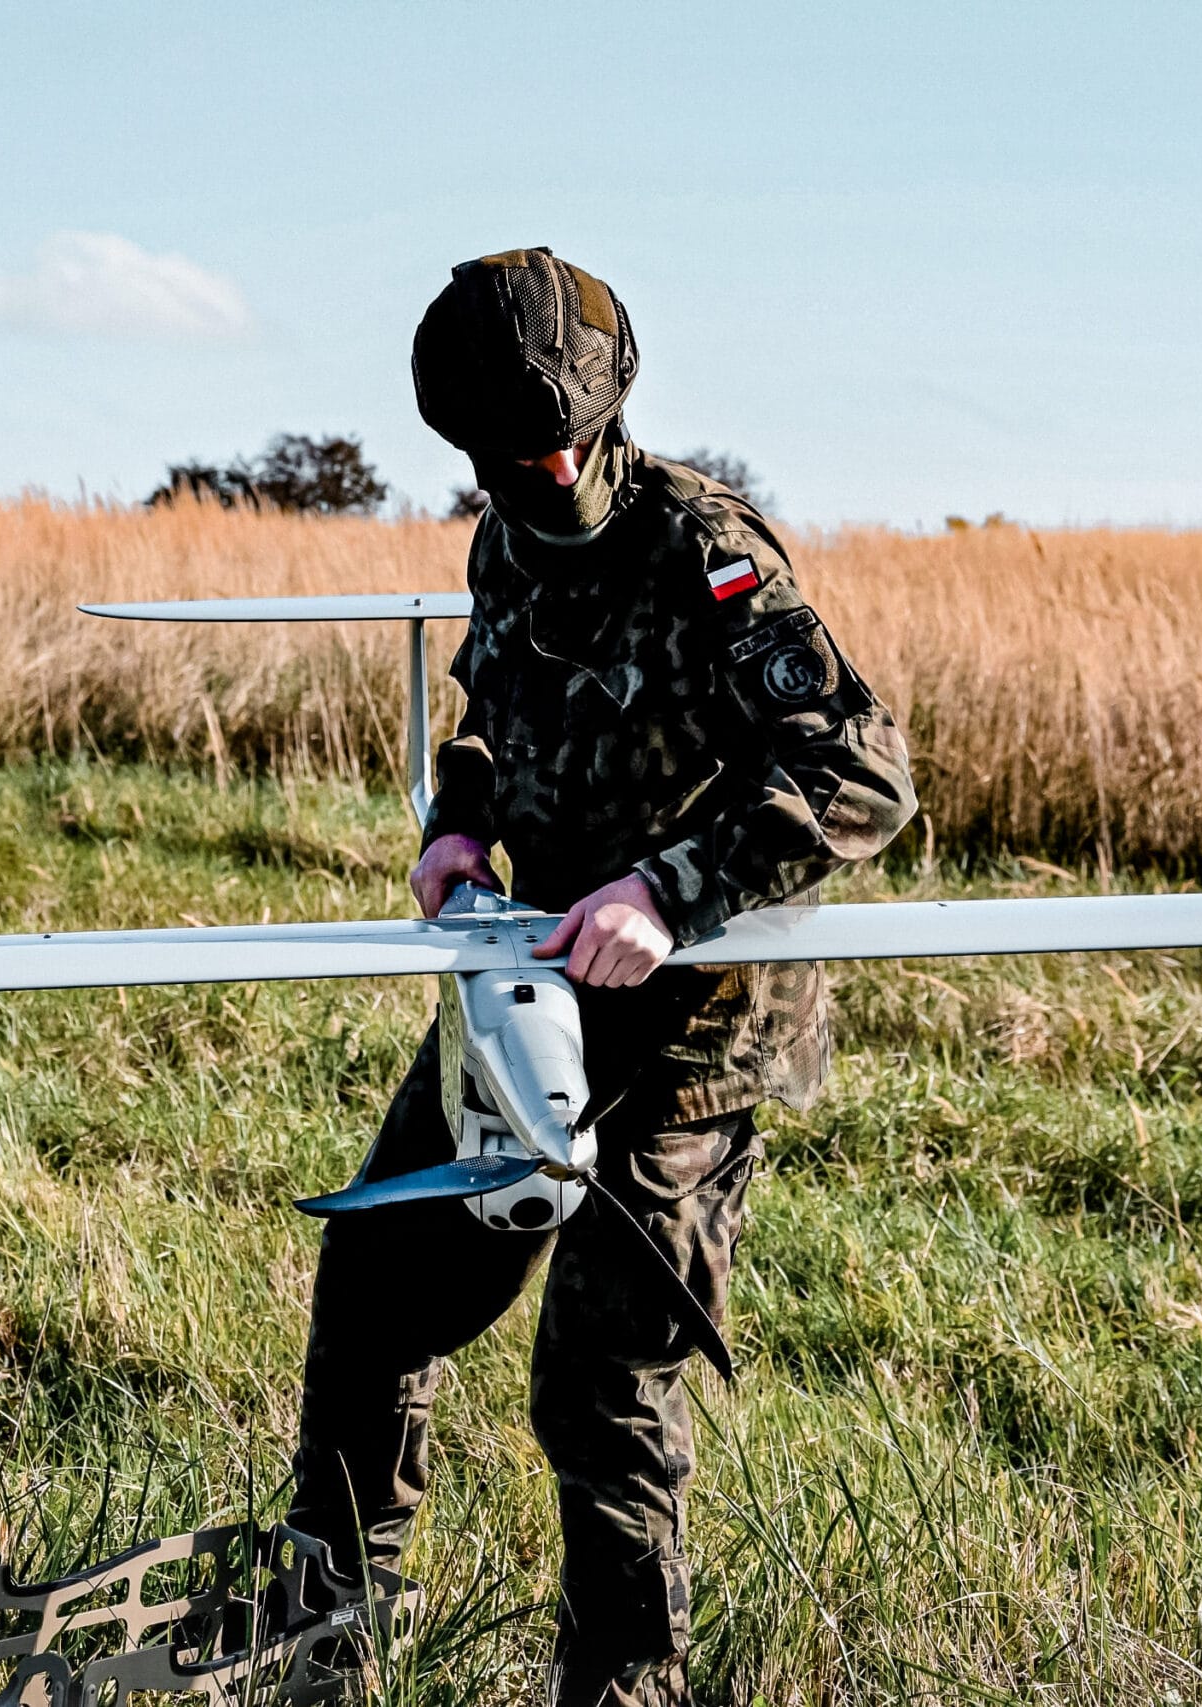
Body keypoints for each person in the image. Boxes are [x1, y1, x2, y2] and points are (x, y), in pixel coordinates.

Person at [286, 247, 918, 1706]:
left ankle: (625, 1690)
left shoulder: (709, 549)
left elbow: (862, 773)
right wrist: (460, 825)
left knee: (600, 1380)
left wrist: (668, 891)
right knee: (378, 1284)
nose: (549, 464)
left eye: (566, 433)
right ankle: (326, 1630)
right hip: (533, 1002)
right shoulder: (501, 542)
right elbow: (490, 715)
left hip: (697, 1030)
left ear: (613, 395)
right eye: (513, 450)